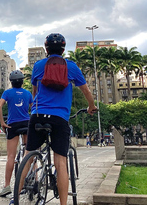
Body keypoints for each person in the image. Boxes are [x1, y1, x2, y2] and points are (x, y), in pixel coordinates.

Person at [26, 33, 98, 205]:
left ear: (46, 49)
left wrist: (35, 106)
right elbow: (87, 92)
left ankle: (15, 198)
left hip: (37, 115)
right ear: (64, 49)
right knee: (61, 161)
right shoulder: (71, 67)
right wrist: (91, 106)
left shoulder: (38, 65)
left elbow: (34, 91)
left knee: (28, 156)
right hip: (59, 118)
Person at [0, 70, 33, 198]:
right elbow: (33, 108)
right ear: (22, 81)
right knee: (30, 153)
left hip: (12, 125)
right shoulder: (28, 93)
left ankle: (7, 186)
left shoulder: (7, 93)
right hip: (27, 124)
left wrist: (2, 122)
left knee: (11, 156)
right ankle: (34, 178)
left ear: (11, 82)